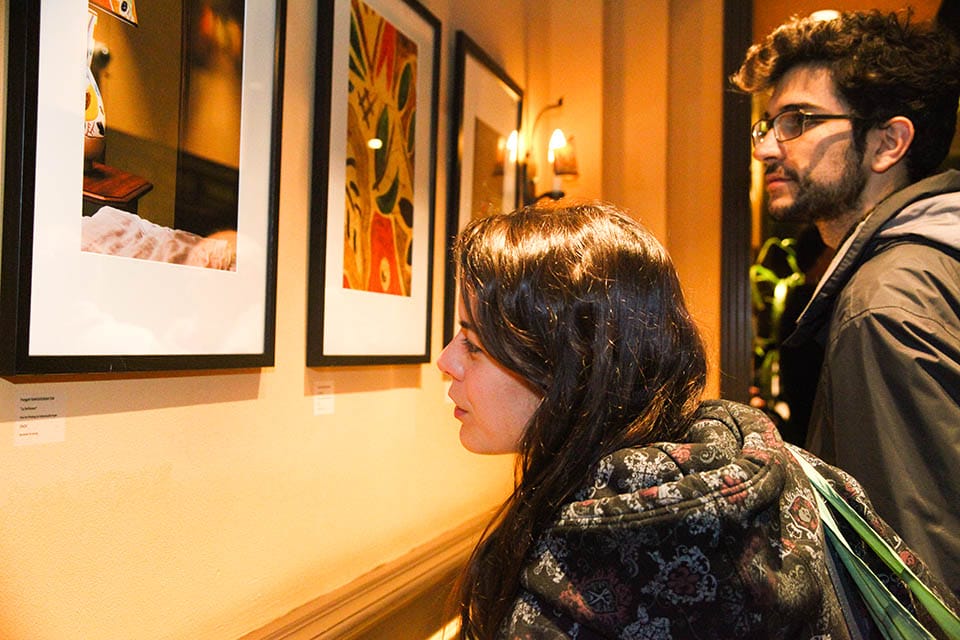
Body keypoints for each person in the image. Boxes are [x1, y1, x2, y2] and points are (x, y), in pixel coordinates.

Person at [437, 200, 956, 638]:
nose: (447, 361)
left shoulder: (579, 571)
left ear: (574, 367)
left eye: (475, 344)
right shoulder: (758, 458)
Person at [730, 8, 960, 595]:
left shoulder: (884, 302)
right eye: (768, 124)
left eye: (798, 120)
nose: (766, 150)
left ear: (888, 142)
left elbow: (914, 587)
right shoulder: (924, 264)